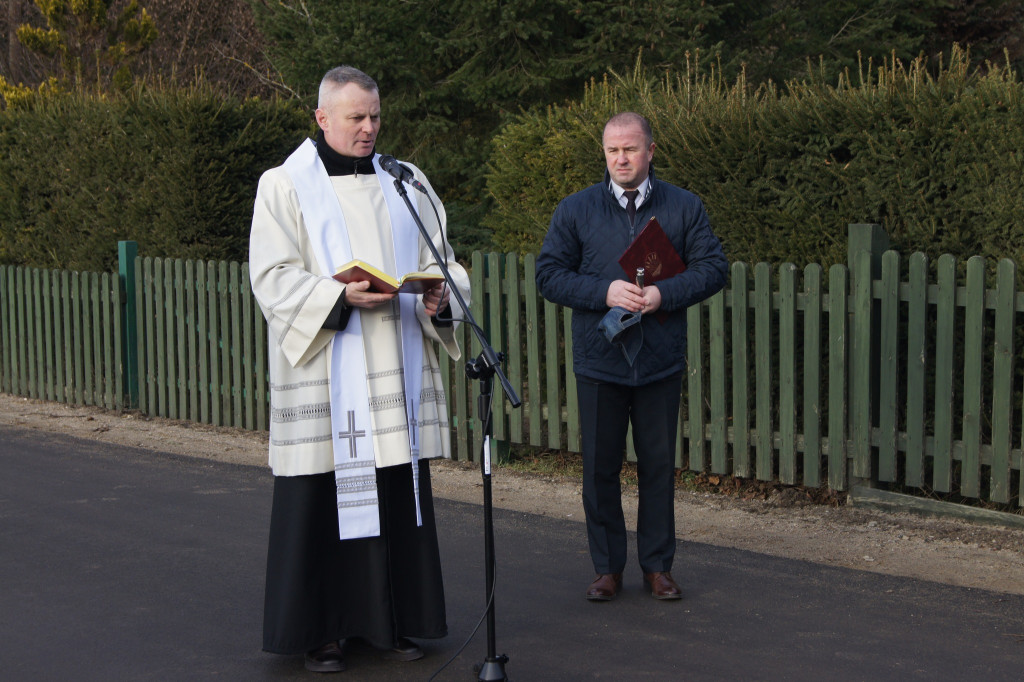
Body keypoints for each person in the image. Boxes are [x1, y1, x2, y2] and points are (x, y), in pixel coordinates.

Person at [248, 65, 469, 673]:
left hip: (393, 372)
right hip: (325, 372)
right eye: (355, 118)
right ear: (322, 118)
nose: (369, 128)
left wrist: (442, 296)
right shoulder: (285, 186)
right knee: (322, 498)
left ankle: (392, 621)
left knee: (395, 492)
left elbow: (443, 261)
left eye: (374, 116)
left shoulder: (406, 181)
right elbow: (270, 278)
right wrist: (336, 297)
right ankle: (322, 631)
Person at [536, 112, 727, 602]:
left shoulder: (685, 207)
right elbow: (549, 275)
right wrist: (604, 290)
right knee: (600, 469)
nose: (621, 159)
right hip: (600, 361)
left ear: (651, 151)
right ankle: (607, 568)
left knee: (658, 468)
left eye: (630, 149)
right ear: (604, 153)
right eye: (612, 150)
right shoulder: (575, 210)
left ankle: (658, 567)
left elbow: (713, 268)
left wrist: (665, 295)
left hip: (660, 361)